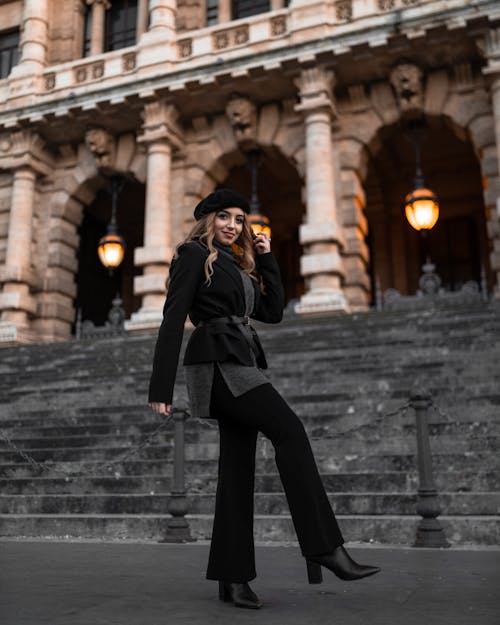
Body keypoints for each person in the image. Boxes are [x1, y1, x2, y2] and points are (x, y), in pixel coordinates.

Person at [147, 188, 380, 610]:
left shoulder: (237, 261)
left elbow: (272, 313)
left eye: (239, 218)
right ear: (208, 220)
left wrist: (267, 257)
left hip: (239, 358)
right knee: (289, 429)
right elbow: (172, 317)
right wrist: (160, 388)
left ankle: (232, 579)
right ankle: (323, 546)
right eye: (224, 217)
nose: (233, 225)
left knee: (237, 469)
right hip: (219, 363)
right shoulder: (193, 255)